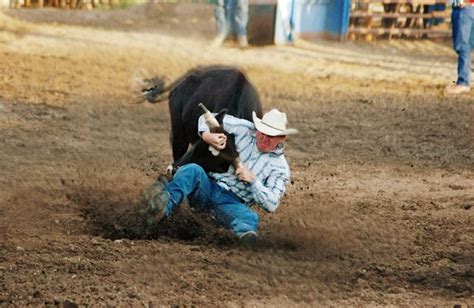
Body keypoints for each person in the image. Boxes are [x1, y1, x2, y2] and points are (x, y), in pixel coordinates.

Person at [142, 109, 297, 245]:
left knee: (250, 218)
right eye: (262, 132)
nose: (264, 138)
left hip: (232, 203)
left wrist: (254, 181)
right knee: (192, 170)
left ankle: (239, 242)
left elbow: (272, 204)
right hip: (209, 186)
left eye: (271, 136)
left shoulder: (280, 168)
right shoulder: (244, 128)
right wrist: (206, 135)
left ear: (281, 138)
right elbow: (208, 116)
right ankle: (161, 209)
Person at [445, 0, 474, 95]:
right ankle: (464, 80)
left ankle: (464, 82)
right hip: (466, 7)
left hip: (464, 8)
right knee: (467, 45)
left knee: (463, 45)